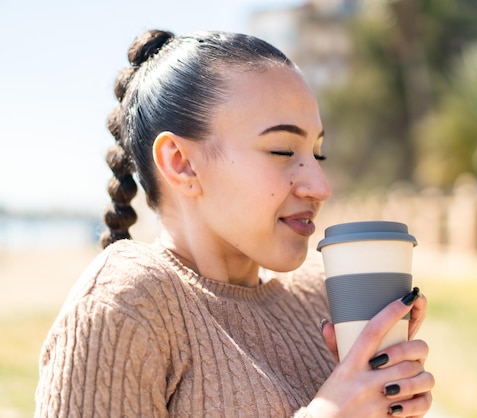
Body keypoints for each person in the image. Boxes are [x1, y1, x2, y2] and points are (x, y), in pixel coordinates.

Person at [35, 29, 434, 417]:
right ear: (182, 163)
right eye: (281, 150)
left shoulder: (321, 294)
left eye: (317, 154)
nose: (320, 186)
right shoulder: (123, 304)